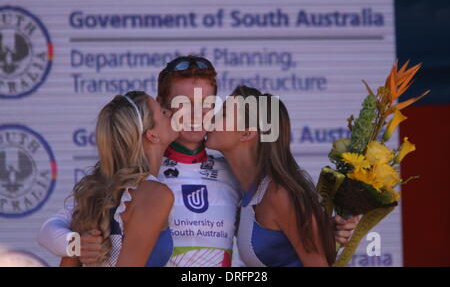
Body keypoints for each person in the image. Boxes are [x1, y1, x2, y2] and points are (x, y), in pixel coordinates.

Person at [38, 56, 358, 267]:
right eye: (182, 104)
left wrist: (324, 232)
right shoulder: (133, 172)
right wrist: (75, 244)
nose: (195, 114)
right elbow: (52, 227)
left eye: (205, 104)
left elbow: (276, 231)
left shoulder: (234, 173)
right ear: (162, 109)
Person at [206, 85, 339, 266]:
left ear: (246, 133)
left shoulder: (279, 194)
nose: (212, 118)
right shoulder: (249, 190)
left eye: (223, 115)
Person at [59, 91, 178, 266]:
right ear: (152, 135)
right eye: (162, 112)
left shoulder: (95, 193)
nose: (170, 112)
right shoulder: (155, 194)